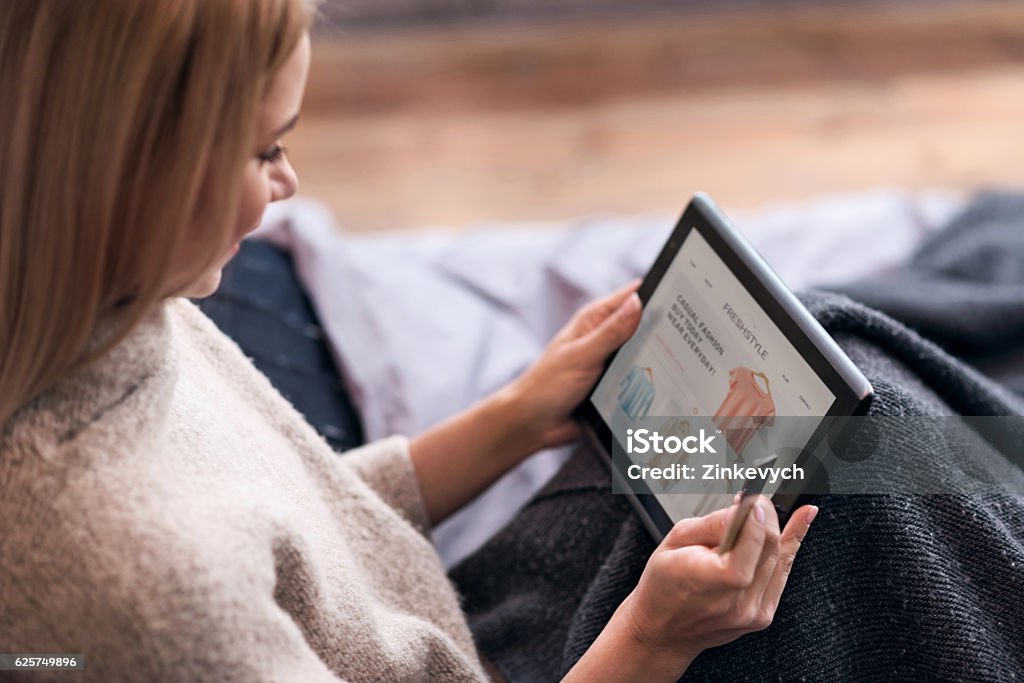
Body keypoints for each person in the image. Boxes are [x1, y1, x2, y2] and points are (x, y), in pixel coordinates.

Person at [0, 1, 817, 680]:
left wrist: (513, 419)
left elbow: (291, 524)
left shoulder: (109, 306)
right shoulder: (152, 608)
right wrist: (655, 638)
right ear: (137, 174)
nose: (289, 186)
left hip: (465, 615)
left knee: (845, 343)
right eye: (267, 148)